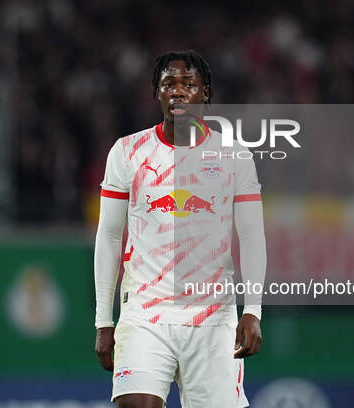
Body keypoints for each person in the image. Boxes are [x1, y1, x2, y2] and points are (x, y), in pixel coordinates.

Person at [94, 49, 266, 408]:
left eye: (189, 83)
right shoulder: (127, 152)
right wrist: (102, 320)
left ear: (204, 93)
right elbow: (110, 236)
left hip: (212, 316)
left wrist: (253, 310)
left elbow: (250, 237)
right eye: (168, 83)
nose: (178, 91)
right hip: (144, 313)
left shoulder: (234, 156)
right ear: (156, 93)